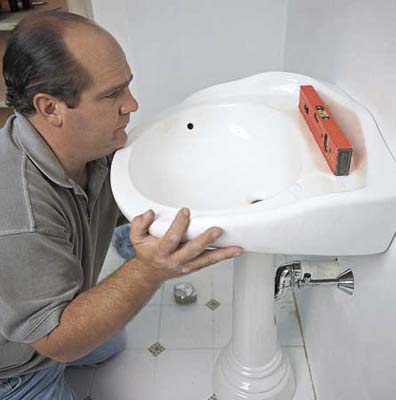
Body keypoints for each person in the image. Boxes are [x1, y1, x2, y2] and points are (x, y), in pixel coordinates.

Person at [0, 10, 243, 399]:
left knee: (111, 342)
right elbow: (58, 341)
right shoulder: (18, 216)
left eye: (126, 87)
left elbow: (134, 187)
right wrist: (149, 270)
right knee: (73, 341)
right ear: (50, 108)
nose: (132, 104)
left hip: (48, 313)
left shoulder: (90, 146)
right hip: (16, 369)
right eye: (112, 94)